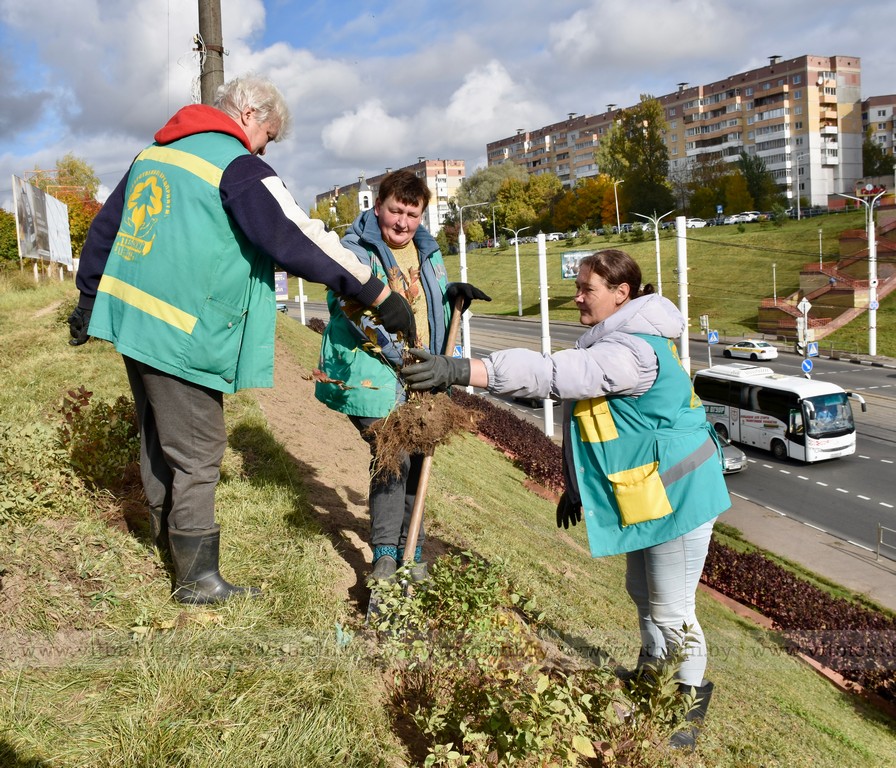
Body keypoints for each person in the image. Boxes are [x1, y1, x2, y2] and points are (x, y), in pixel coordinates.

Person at [67, 75, 416, 606]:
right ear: (250, 114)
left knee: (159, 434)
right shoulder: (237, 166)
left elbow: (105, 229)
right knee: (198, 448)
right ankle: (197, 580)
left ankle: (165, 542)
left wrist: (89, 299)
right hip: (182, 329)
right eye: (268, 136)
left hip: (133, 322)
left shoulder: (154, 155)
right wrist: (375, 291)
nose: (264, 148)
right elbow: (296, 235)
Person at [401, 249, 730, 750]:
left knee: (673, 608)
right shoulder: (616, 338)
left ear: (621, 294)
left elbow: (551, 375)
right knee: (644, 593)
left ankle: (683, 712)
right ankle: (651, 677)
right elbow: (591, 420)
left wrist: (461, 369)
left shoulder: (631, 351)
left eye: (586, 289)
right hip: (654, 493)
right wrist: (575, 488)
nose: (576, 297)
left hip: (682, 495)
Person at [314, 170, 489, 583]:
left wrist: (451, 297)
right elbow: (354, 312)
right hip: (372, 372)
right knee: (394, 451)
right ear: (378, 207)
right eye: (396, 211)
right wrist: (404, 361)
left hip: (420, 374)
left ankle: (412, 552)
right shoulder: (355, 249)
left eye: (413, 214)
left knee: (418, 453)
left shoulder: (428, 250)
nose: (403, 222)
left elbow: (425, 306)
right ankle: (386, 557)